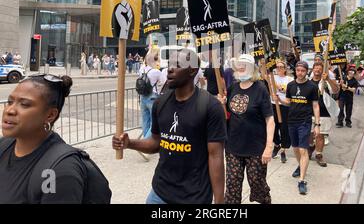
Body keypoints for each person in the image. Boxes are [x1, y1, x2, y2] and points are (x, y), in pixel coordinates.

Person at [113, 49, 226, 204]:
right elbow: (156, 142)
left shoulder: (210, 107)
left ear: (192, 70)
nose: (170, 69)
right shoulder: (160, 103)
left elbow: (216, 156)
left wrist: (219, 201)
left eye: (177, 65)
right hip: (159, 194)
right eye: (170, 64)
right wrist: (129, 143)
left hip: (194, 197)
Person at [0, 74, 109, 203]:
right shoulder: (4, 146)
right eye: (10, 102)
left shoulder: (60, 171)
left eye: (24, 104)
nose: (9, 110)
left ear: (50, 115)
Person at [218, 54, 274, 204]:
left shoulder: (261, 89)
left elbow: (270, 119)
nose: (241, 67)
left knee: (258, 184)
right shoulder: (232, 88)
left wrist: (269, 147)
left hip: (256, 148)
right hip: (233, 147)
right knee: (232, 187)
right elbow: (227, 115)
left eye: (244, 65)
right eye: (239, 65)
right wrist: (221, 104)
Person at [273, 61, 320, 195]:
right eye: (298, 70)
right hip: (291, 121)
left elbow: (315, 106)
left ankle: (302, 181)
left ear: (306, 71)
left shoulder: (312, 87)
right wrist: (279, 100)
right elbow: (289, 102)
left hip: (304, 121)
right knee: (295, 148)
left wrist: (317, 125)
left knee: (302, 149)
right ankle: (301, 166)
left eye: (303, 71)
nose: (300, 73)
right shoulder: (290, 85)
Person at [309, 62, 339, 167]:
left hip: (324, 112)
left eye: (319, 68)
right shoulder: (308, 82)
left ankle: (319, 154)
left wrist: (328, 80)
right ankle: (310, 148)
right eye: (315, 68)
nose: (317, 70)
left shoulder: (325, 82)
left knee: (320, 135)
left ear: (322, 70)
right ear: (312, 69)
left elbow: (336, 91)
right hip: (310, 112)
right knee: (310, 134)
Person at [270, 60, 293, 163]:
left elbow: (289, 91)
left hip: (284, 105)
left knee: (284, 128)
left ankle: (283, 149)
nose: (279, 68)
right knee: (273, 126)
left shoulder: (289, 79)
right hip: (273, 105)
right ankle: (276, 144)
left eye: (281, 67)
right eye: (277, 67)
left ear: (285, 69)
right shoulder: (272, 77)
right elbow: (264, 75)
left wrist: (281, 89)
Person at [138, 52, 162, 139]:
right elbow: (162, 83)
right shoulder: (156, 71)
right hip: (152, 98)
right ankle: (145, 142)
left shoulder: (142, 69)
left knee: (145, 121)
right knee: (154, 122)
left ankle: (146, 142)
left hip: (143, 97)